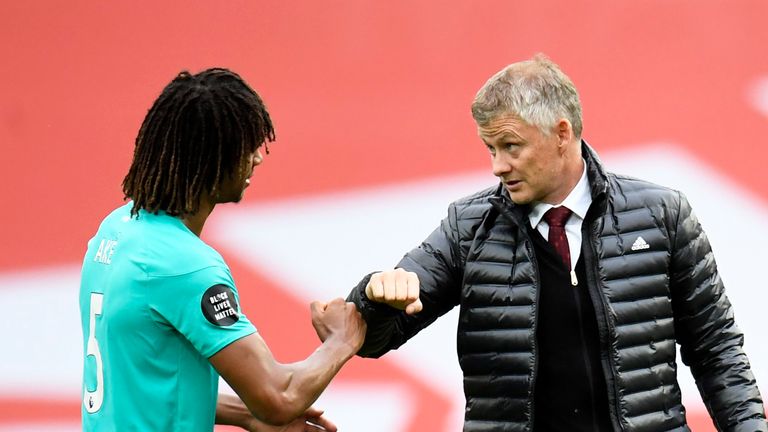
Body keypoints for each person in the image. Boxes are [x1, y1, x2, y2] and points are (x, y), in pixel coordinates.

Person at [344, 55, 767, 431]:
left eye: (511, 146)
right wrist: (373, 297)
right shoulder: (467, 227)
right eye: (489, 148)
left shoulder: (663, 214)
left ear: (562, 133)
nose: (497, 166)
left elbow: (716, 348)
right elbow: (375, 338)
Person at [79, 68, 366, 431]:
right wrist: (343, 340)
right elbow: (278, 396)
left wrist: (246, 415)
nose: (256, 158)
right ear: (210, 159)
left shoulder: (115, 230)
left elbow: (140, 377)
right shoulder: (187, 266)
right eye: (244, 147)